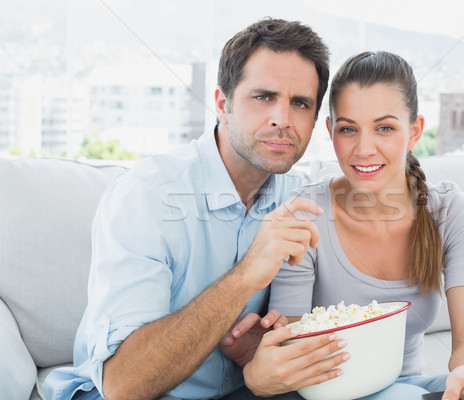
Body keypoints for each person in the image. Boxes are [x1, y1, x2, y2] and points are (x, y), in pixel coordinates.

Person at [43, 18, 350, 400]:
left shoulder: (298, 198)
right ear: (223, 104)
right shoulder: (149, 196)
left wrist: (262, 354)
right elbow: (124, 385)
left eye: (300, 103)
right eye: (263, 97)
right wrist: (245, 276)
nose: (282, 120)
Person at [268, 51, 464, 400]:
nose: (365, 149)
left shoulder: (453, 213)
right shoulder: (304, 215)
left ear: (414, 132)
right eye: (349, 129)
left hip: (406, 386)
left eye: (384, 128)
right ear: (330, 132)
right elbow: (291, 347)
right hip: (328, 389)